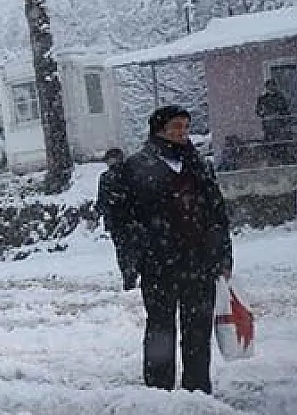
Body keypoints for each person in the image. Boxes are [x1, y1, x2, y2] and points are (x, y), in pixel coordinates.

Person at [119, 105, 233, 394]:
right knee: (161, 329)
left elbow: (217, 213)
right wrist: (134, 259)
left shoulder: (199, 165)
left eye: (185, 126)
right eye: (176, 127)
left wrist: (222, 254)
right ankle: (159, 391)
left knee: (198, 329)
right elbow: (125, 220)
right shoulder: (137, 167)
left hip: (198, 261)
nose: (182, 133)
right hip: (159, 264)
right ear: (160, 130)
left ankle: (197, 390)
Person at [94, 147, 135, 290]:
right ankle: (131, 274)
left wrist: (102, 209)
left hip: (121, 220)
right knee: (129, 249)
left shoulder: (109, 177)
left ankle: (129, 275)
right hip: (127, 220)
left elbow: (102, 201)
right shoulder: (127, 174)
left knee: (124, 250)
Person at [255, 78, 293, 144]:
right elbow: (258, 110)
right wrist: (264, 114)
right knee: (270, 143)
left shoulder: (280, 97)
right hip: (268, 125)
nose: (270, 88)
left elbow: (285, 110)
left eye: (272, 86)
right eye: (268, 86)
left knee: (281, 143)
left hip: (279, 125)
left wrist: (280, 115)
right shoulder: (263, 98)